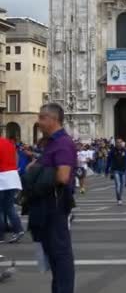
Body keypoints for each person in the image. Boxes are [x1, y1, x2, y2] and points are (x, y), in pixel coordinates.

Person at [30, 103, 77, 292]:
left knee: (60, 256)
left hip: (56, 205)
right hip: (46, 206)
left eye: (42, 117)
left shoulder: (63, 143)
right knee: (54, 256)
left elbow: (63, 176)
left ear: (53, 119)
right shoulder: (51, 143)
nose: (39, 121)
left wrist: (39, 174)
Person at [0, 136, 25, 244]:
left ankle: (1, 235)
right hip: (12, 176)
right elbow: (16, 158)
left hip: (2, 176)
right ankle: (18, 229)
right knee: (9, 207)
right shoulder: (9, 143)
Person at [105, 139, 126, 205]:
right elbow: (108, 161)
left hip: (123, 170)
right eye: (117, 142)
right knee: (118, 184)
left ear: (122, 143)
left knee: (122, 185)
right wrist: (107, 170)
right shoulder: (112, 151)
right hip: (116, 169)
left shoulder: (125, 150)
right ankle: (119, 199)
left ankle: (120, 197)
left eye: (120, 142)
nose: (119, 144)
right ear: (115, 143)